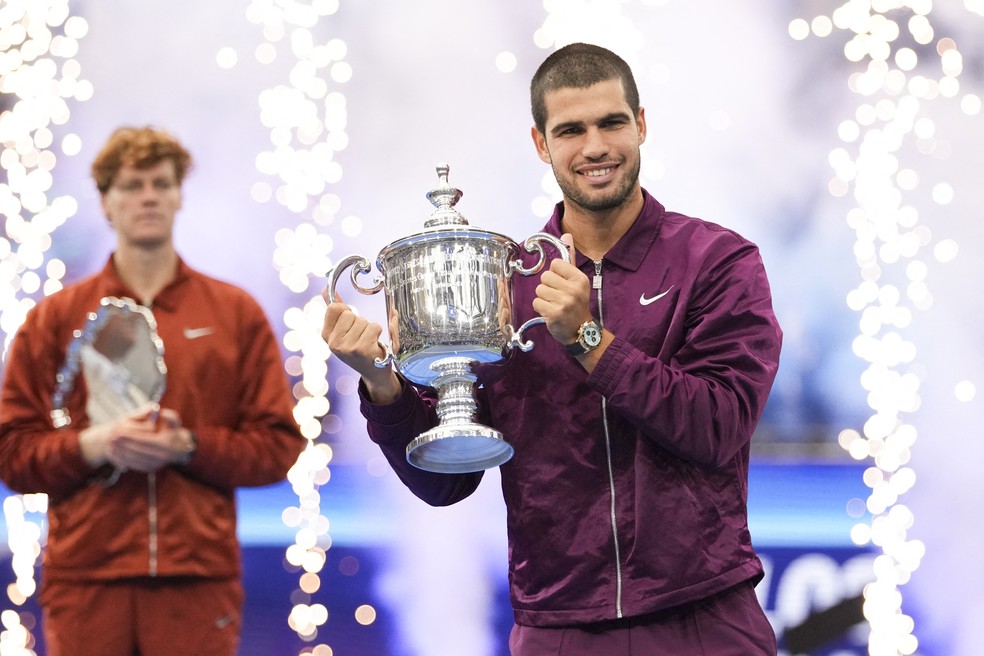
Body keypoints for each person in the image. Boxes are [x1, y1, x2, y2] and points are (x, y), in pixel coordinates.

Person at [322, 42, 782, 655]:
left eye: (611, 123)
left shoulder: (717, 261)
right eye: (571, 130)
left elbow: (717, 428)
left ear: (641, 126)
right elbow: (446, 484)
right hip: (559, 626)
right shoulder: (501, 283)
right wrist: (382, 385)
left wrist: (589, 341)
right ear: (541, 144)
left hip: (701, 616)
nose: (594, 147)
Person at [0, 126, 306, 656]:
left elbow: (278, 448)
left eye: (161, 183)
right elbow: (11, 452)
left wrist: (188, 446)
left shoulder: (233, 314)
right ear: (105, 202)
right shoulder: (56, 319)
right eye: (131, 184)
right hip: (86, 580)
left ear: (179, 195)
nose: (148, 196)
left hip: (198, 580)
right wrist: (94, 445)